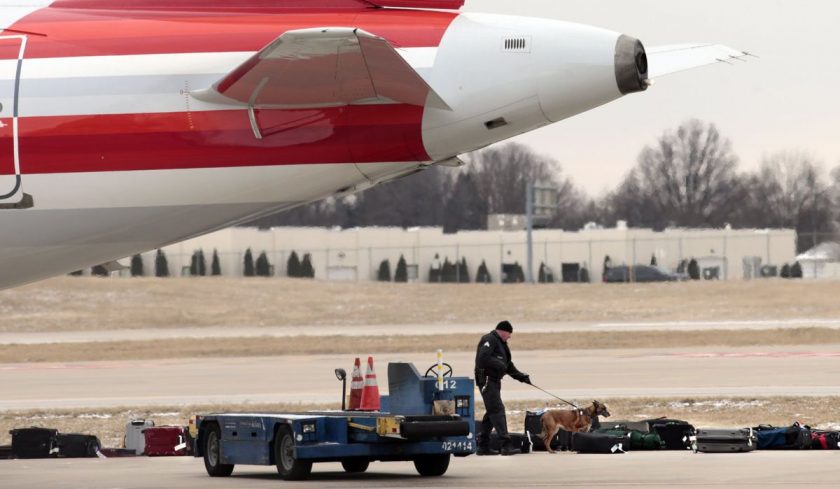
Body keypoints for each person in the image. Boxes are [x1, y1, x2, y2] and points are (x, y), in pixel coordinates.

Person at [474, 320, 531, 456]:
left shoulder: (502, 344)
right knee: (497, 409)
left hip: (495, 381)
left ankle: (483, 446)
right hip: (486, 380)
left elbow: (507, 365)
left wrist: (521, 377)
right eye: (509, 333)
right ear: (503, 331)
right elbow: (482, 358)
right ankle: (506, 445)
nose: (510, 336)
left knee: (492, 411)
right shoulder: (489, 339)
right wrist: (499, 364)